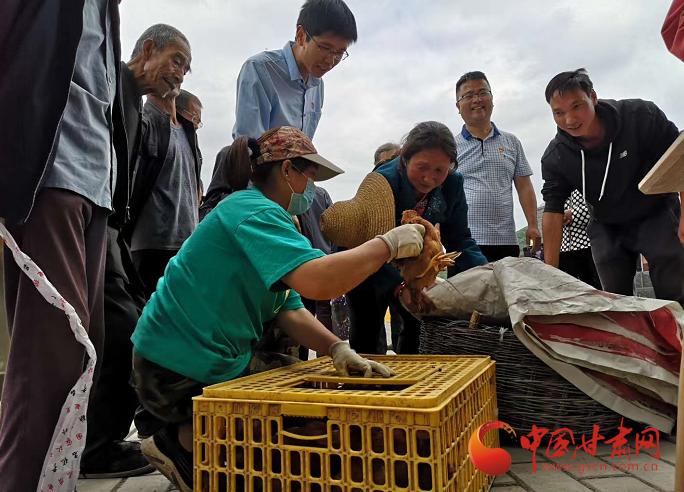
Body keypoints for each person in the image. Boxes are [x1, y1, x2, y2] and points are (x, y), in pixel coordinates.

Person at [131, 126, 423, 491]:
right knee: (290, 423)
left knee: (306, 393)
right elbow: (320, 281)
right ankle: (182, 440)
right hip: (175, 369)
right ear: (288, 171)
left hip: (202, 358)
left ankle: (198, 433)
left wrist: (337, 348)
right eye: (310, 174)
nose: (312, 186)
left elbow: (290, 308)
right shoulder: (250, 211)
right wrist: (386, 245)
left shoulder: (272, 219)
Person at [82, 24, 194, 478]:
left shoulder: (128, 99)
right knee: (130, 332)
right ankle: (97, 448)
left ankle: (101, 442)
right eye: (176, 62)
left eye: (185, 71)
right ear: (148, 49)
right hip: (96, 225)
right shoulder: (112, 88)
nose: (179, 78)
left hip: (109, 233)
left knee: (129, 330)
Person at [541, 68, 684, 305]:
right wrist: (549, 274)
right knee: (613, 297)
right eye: (558, 112)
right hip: (606, 222)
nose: (569, 120)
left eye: (577, 106)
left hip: (655, 211)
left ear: (593, 97)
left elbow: (680, 159)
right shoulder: (557, 156)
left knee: (675, 284)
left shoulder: (640, 116)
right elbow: (553, 210)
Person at [344, 121, 488, 355]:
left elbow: (460, 239)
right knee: (367, 334)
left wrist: (485, 273)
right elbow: (370, 242)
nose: (429, 178)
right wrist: (400, 286)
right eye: (422, 167)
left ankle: (411, 386)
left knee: (418, 325)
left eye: (439, 170)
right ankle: (365, 385)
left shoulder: (453, 183)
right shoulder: (383, 182)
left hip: (413, 266)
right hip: (367, 264)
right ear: (404, 159)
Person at [232, 0, 356, 140]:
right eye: (325, 48)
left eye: (339, 53)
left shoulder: (317, 85)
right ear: (301, 35)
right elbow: (249, 147)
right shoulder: (260, 69)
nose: (330, 61)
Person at [454, 71, 541, 262]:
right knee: (469, 292)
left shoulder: (511, 142)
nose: (477, 99)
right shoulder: (450, 147)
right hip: (466, 241)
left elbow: (524, 186)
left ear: (492, 98)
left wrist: (533, 225)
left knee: (505, 291)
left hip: (506, 240)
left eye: (482, 92)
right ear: (458, 106)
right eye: (468, 95)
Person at [127, 88, 202, 298]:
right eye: (195, 116)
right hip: (151, 244)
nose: (197, 123)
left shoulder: (189, 136)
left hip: (186, 244)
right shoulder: (147, 124)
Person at [558, 190, 601, 289]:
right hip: (565, 251)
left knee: (602, 291)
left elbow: (603, 207)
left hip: (591, 245)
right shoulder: (559, 188)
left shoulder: (587, 182)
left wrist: (572, 214)